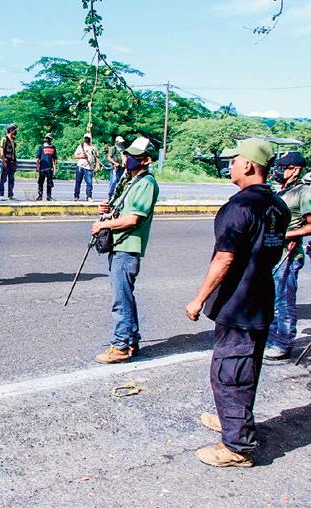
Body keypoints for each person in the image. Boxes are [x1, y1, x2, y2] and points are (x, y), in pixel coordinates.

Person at [185, 138, 290, 468]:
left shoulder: (239, 207)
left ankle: (237, 447)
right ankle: (230, 419)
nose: (230, 165)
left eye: (234, 160)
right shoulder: (278, 206)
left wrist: (199, 299)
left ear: (248, 164)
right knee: (247, 367)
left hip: (238, 303)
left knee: (230, 372)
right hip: (260, 297)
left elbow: (224, 258)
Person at [92, 137, 159, 364]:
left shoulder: (146, 183)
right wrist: (108, 210)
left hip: (127, 248)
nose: (128, 158)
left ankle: (120, 346)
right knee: (125, 297)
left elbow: (133, 218)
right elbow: (123, 211)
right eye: (128, 154)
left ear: (146, 160)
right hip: (120, 245)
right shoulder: (131, 181)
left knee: (120, 300)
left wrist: (103, 225)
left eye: (134, 156)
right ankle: (131, 340)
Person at [265, 152, 311, 360]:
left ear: (295, 170)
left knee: (283, 300)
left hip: (288, 254)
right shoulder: (281, 191)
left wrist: (286, 235)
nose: (278, 171)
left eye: (283, 167)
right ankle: (271, 339)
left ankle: (283, 343)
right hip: (272, 252)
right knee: (271, 299)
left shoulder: (304, 192)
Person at [73, 134, 99, 201]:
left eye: (88, 138)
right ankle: (76, 196)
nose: (86, 139)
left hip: (89, 167)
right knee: (78, 182)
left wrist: (97, 165)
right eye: (85, 138)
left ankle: (89, 196)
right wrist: (81, 156)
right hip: (80, 166)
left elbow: (97, 157)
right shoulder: (81, 146)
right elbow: (75, 156)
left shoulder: (93, 147)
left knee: (89, 183)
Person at [35, 133, 58, 201]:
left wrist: (55, 167)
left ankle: (49, 196)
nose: (48, 140)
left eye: (49, 138)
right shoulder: (41, 147)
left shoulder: (53, 147)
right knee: (40, 182)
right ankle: (40, 196)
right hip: (42, 168)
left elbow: (55, 158)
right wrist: (37, 167)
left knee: (49, 183)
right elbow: (38, 158)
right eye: (47, 138)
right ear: (45, 139)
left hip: (49, 168)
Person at [0, 124, 18, 200]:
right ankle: (1, 194)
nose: (15, 131)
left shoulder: (13, 140)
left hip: (12, 162)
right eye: (14, 130)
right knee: (3, 178)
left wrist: (15, 161)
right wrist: (4, 161)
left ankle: (10, 195)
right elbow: (1, 151)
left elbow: (13, 152)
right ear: (11, 130)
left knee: (11, 179)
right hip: (6, 161)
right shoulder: (4, 139)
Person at [107, 135, 126, 200]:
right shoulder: (113, 148)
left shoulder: (123, 148)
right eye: (120, 142)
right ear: (117, 142)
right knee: (113, 181)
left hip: (122, 167)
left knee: (120, 182)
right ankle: (110, 196)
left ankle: (118, 196)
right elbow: (109, 157)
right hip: (115, 168)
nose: (121, 143)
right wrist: (115, 163)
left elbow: (125, 156)